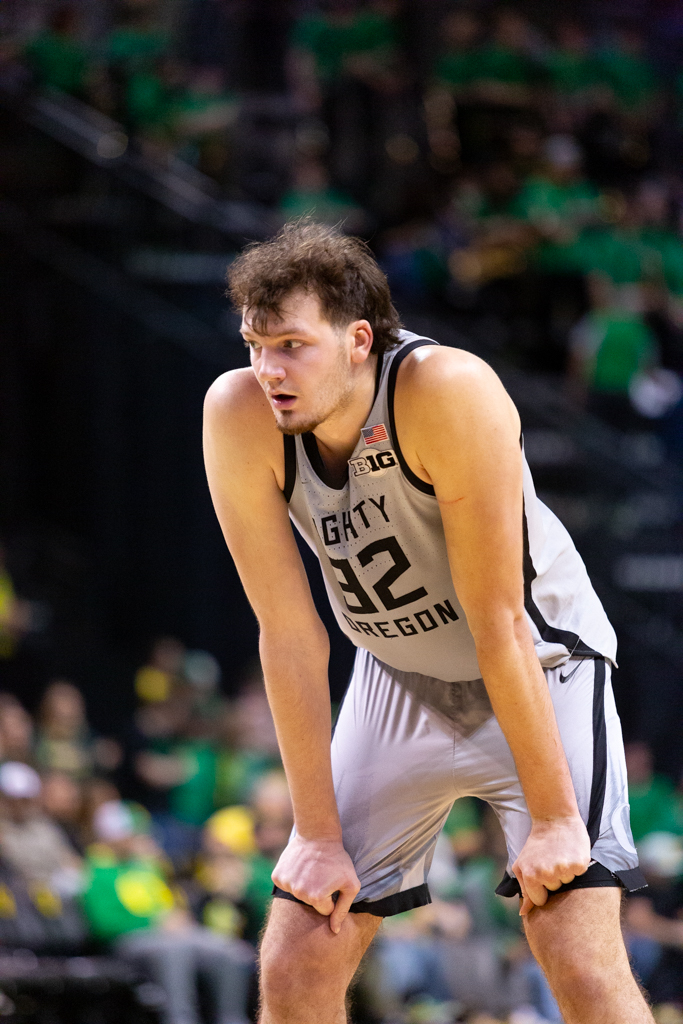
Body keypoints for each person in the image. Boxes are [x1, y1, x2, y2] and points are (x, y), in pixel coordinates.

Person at [203, 220, 653, 1024]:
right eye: (253, 345)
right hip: (394, 672)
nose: (267, 370)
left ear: (358, 341)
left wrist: (552, 821)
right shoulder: (237, 414)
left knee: (574, 953)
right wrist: (313, 833)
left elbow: (500, 621)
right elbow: (290, 632)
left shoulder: (446, 389)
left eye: (291, 346)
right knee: (299, 954)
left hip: (536, 664)